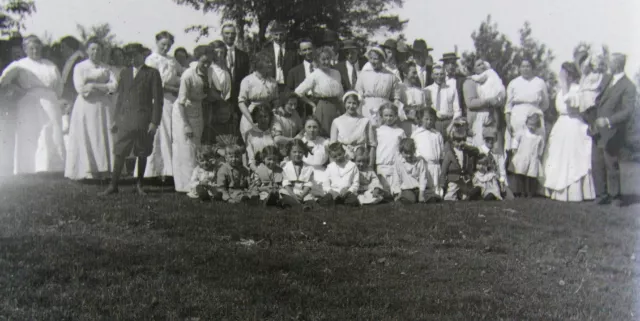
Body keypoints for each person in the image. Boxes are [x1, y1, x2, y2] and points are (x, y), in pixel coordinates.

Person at [99, 43, 163, 196]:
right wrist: (115, 119)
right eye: (129, 56)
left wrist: (154, 122)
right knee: (120, 151)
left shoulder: (152, 73)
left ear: (143, 55)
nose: (133, 58)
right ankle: (113, 185)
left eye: (136, 55)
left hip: (144, 121)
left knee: (142, 151)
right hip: (125, 120)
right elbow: (120, 98)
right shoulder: (125, 73)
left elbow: (158, 100)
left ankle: (139, 184)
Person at [0, 35, 66, 174]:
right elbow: (4, 81)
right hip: (29, 101)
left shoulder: (50, 65)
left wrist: (54, 98)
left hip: (50, 100)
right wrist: (16, 89)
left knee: (52, 132)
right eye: (31, 48)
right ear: (25, 49)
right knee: (29, 133)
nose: (35, 51)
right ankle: (28, 168)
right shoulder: (20, 64)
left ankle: (52, 166)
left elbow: (59, 85)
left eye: (37, 47)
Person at [586, 53, 636, 207]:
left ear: (618, 64)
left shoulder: (628, 86)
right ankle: (601, 195)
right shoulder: (607, 79)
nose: (608, 64)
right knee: (597, 162)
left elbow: (627, 111)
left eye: (611, 62)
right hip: (598, 128)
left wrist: (608, 120)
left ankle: (616, 197)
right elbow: (598, 99)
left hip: (613, 130)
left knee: (610, 163)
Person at [64, 38, 118, 180]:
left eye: (99, 49)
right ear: (87, 50)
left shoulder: (106, 67)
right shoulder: (80, 67)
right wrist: (103, 87)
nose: (96, 52)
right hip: (86, 106)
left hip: (104, 106)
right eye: (93, 49)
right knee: (87, 135)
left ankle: (105, 170)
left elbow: (114, 86)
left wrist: (94, 86)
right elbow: (81, 88)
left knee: (103, 134)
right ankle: (88, 171)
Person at [541, 62, 595, 202]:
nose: (561, 76)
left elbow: (571, 102)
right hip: (561, 124)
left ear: (570, 75)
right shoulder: (561, 90)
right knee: (556, 156)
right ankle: (556, 191)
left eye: (564, 74)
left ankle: (575, 191)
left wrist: (565, 85)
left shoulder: (577, 90)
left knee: (573, 158)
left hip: (574, 125)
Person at [136, 31, 183, 181]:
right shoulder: (151, 60)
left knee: (169, 134)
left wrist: (180, 83)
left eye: (168, 45)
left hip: (170, 101)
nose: (165, 48)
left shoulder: (172, 60)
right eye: (163, 44)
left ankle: (168, 171)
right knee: (158, 135)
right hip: (157, 100)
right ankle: (153, 171)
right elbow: (155, 83)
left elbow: (181, 74)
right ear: (156, 43)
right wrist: (173, 88)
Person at [172, 45, 212, 193]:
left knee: (196, 146)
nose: (206, 65)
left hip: (197, 109)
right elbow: (181, 102)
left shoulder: (208, 72)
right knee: (186, 148)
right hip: (184, 113)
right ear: (197, 60)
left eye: (209, 62)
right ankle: (185, 185)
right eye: (203, 62)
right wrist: (186, 125)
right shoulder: (188, 75)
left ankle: (197, 182)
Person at [294, 46, 345, 135]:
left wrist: (343, 110)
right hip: (323, 108)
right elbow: (298, 92)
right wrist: (312, 104)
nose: (326, 62)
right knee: (324, 134)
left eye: (328, 59)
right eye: (323, 59)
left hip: (337, 108)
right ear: (317, 60)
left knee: (337, 134)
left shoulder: (336, 73)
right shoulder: (315, 75)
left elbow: (341, 94)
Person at [504, 58, 550, 150]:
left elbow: (545, 104)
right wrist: (508, 123)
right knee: (516, 147)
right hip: (517, 118)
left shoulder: (540, 82)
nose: (525, 69)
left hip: (535, 120)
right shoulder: (513, 83)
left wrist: (535, 112)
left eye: (528, 66)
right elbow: (508, 106)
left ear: (532, 68)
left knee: (533, 148)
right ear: (519, 68)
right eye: (523, 66)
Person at [355, 46, 402, 127]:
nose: (373, 61)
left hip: (384, 110)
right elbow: (358, 94)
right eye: (371, 58)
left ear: (382, 59)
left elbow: (396, 98)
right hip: (366, 108)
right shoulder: (363, 74)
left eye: (376, 59)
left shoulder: (391, 76)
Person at [463, 60, 505, 151]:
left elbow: (499, 94)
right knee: (481, 146)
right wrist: (489, 101)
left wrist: (498, 99)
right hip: (478, 118)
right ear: (473, 69)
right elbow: (470, 103)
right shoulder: (470, 82)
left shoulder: (492, 77)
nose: (481, 66)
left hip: (493, 117)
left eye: (483, 64)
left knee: (494, 146)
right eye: (478, 65)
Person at [238, 54, 279, 141]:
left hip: (268, 115)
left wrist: (274, 110)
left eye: (271, 62)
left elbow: (275, 99)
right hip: (252, 115)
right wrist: (251, 119)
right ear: (258, 64)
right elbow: (241, 102)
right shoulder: (247, 80)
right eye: (267, 62)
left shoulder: (272, 81)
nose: (271, 64)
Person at [200, 40, 233, 143]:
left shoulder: (226, 70)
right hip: (211, 108)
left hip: (225, 107)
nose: (219, 55)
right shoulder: (209, 69)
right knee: (211, 135)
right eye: (216, 52)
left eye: (222, 53)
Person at [330, 91, 375, 162]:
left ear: (358, 104)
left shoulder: (365, 121)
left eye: (354, 103)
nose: (351, 106)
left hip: (360, 159)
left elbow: (372, 145)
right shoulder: (337, 121)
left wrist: (370, 164)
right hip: (343, 158)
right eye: (349, 103)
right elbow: (332, 145)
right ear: (344, 103)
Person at [439, 125, 481, 201]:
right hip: (453, 179)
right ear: (453, 141)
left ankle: (465, 195)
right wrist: (442, 184)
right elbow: (444, 170)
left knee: (466, 196)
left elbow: (475, 153)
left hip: (463, 179)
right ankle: (449, 195)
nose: (460, 143)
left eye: (463, 140)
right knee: (450, 196)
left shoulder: (465, 152)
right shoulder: (449, 153)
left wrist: (471, 175)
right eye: (458, 141)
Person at [509, 113, 545, 198]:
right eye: (530, 125)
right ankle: (521, 192)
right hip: (522, 157)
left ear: (537, 126)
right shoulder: (522, 133)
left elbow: (541, 146)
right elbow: (516, 141)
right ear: (526, 124)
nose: (531, 127)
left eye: (534, 126)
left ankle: (530, 193)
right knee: (520, 175)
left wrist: (539, 154)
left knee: (531, 176)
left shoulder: (538, 137)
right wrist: (514, 148)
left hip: (533, 158)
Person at [280, 139, 322, 210]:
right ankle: (295, 204)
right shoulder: (285, 167)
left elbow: (308, 184)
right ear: (289, 153)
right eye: (294, 152)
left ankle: (306, 205)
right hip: (290, 191)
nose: (297, 154)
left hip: (303, 192)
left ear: (304, 153)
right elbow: (286, 183)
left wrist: (302, 195)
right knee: (284, 195)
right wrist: (293, 195)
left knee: (309, 199)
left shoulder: (309, 168)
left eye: (300, 152)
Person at [411, 107, 444, 196]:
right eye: (426, 119)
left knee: (435, 186)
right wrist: (418, 156)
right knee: (424, 184)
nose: (429, 122)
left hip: (435, 165)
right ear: (421, 119)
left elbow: (441, 151)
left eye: (431, 119)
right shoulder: (416, 134)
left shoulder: (437, 134)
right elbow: (413, 148)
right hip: (423, 165)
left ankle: (435, 193)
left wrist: (440, 159)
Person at [260, 21, 298, 96]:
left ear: (285, 34)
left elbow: (296, 68)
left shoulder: (293, 49)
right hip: (271, 86)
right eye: (276, 35)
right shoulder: (266, 49)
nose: (279, 38)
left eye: (281, 34)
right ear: (271, 34)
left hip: (288, 87)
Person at [375, 103, 406, 193]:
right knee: (384, 191)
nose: (388, 118)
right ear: (381, 116)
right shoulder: (378, 131)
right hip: (382, 165)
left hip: (395, 165)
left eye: (391, 115)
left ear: (396, 116)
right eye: (386, 115)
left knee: (396, 191)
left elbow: (403, 148)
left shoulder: (400, 131)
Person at [424, 64, 462, 139]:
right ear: (432, 75)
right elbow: (426, 109)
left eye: (441, 74)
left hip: (449, 122)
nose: (439, 77)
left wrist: (451, 125)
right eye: (436, 74)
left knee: (448, 148)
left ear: (445, 75)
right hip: (434, 123)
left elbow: (457, 110)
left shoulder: (451, 89)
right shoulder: (427, 90)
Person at [318, 142, 360, 207]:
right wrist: (331, 191)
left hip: (347, 192)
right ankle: (336, 202)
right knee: (326, 199)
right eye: (334, 156)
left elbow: (356, 183)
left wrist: (349, 190)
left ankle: (340, 204)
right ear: (331, 157)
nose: (338, 158)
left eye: (339, 154)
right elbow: (325, 183)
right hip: (334, 192)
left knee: (353, 201)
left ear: (344, 152)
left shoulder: (352, 165)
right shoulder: (330, 167)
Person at [391, 138, 429, 204]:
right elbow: (396, 180)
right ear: (401, 152)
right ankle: (403, 199)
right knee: (409, 198)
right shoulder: (398, 163)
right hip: (406, 189)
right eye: (406, 153)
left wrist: (421, 194)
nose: (408, 155)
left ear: (414, 151)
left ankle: (421, 197)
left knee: (431, 196)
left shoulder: (419, 162)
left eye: (410, 153)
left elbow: (423, 178)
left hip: (419, 189)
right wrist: (398, 193)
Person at [286, 38, 315, 119]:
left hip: (319, 105)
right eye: (304, 50)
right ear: (300, 52)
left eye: (310, 49)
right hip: (301, 109)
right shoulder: (293, 72)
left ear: (314, 49)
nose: (308, 52)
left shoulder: (321, 69)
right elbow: (290, 92)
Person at [300, 117, 330, 191]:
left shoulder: (324, 142)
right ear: (304, 128)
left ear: (319, 129)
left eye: (315, 127)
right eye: (309, 127)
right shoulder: (300, 142)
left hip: (322, 172)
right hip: (305, 172)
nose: (312, 130)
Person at [245, 104, 276, 172]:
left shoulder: (274, 132)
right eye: (260, 117)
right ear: (255, 118)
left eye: (265, 116)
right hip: (257, 169)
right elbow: (251, 160)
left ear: (270, 117)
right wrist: (259, 172)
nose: (263, 120)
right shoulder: (250, 134)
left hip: (275, 168)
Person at [441, 52, 467, 116]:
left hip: (459, 114)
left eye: (452, 63)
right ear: (444, 65)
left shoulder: (461, 80)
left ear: (455, 65)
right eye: (448, 63)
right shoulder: (440, 80)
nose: (451, 66)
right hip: (445, 116)